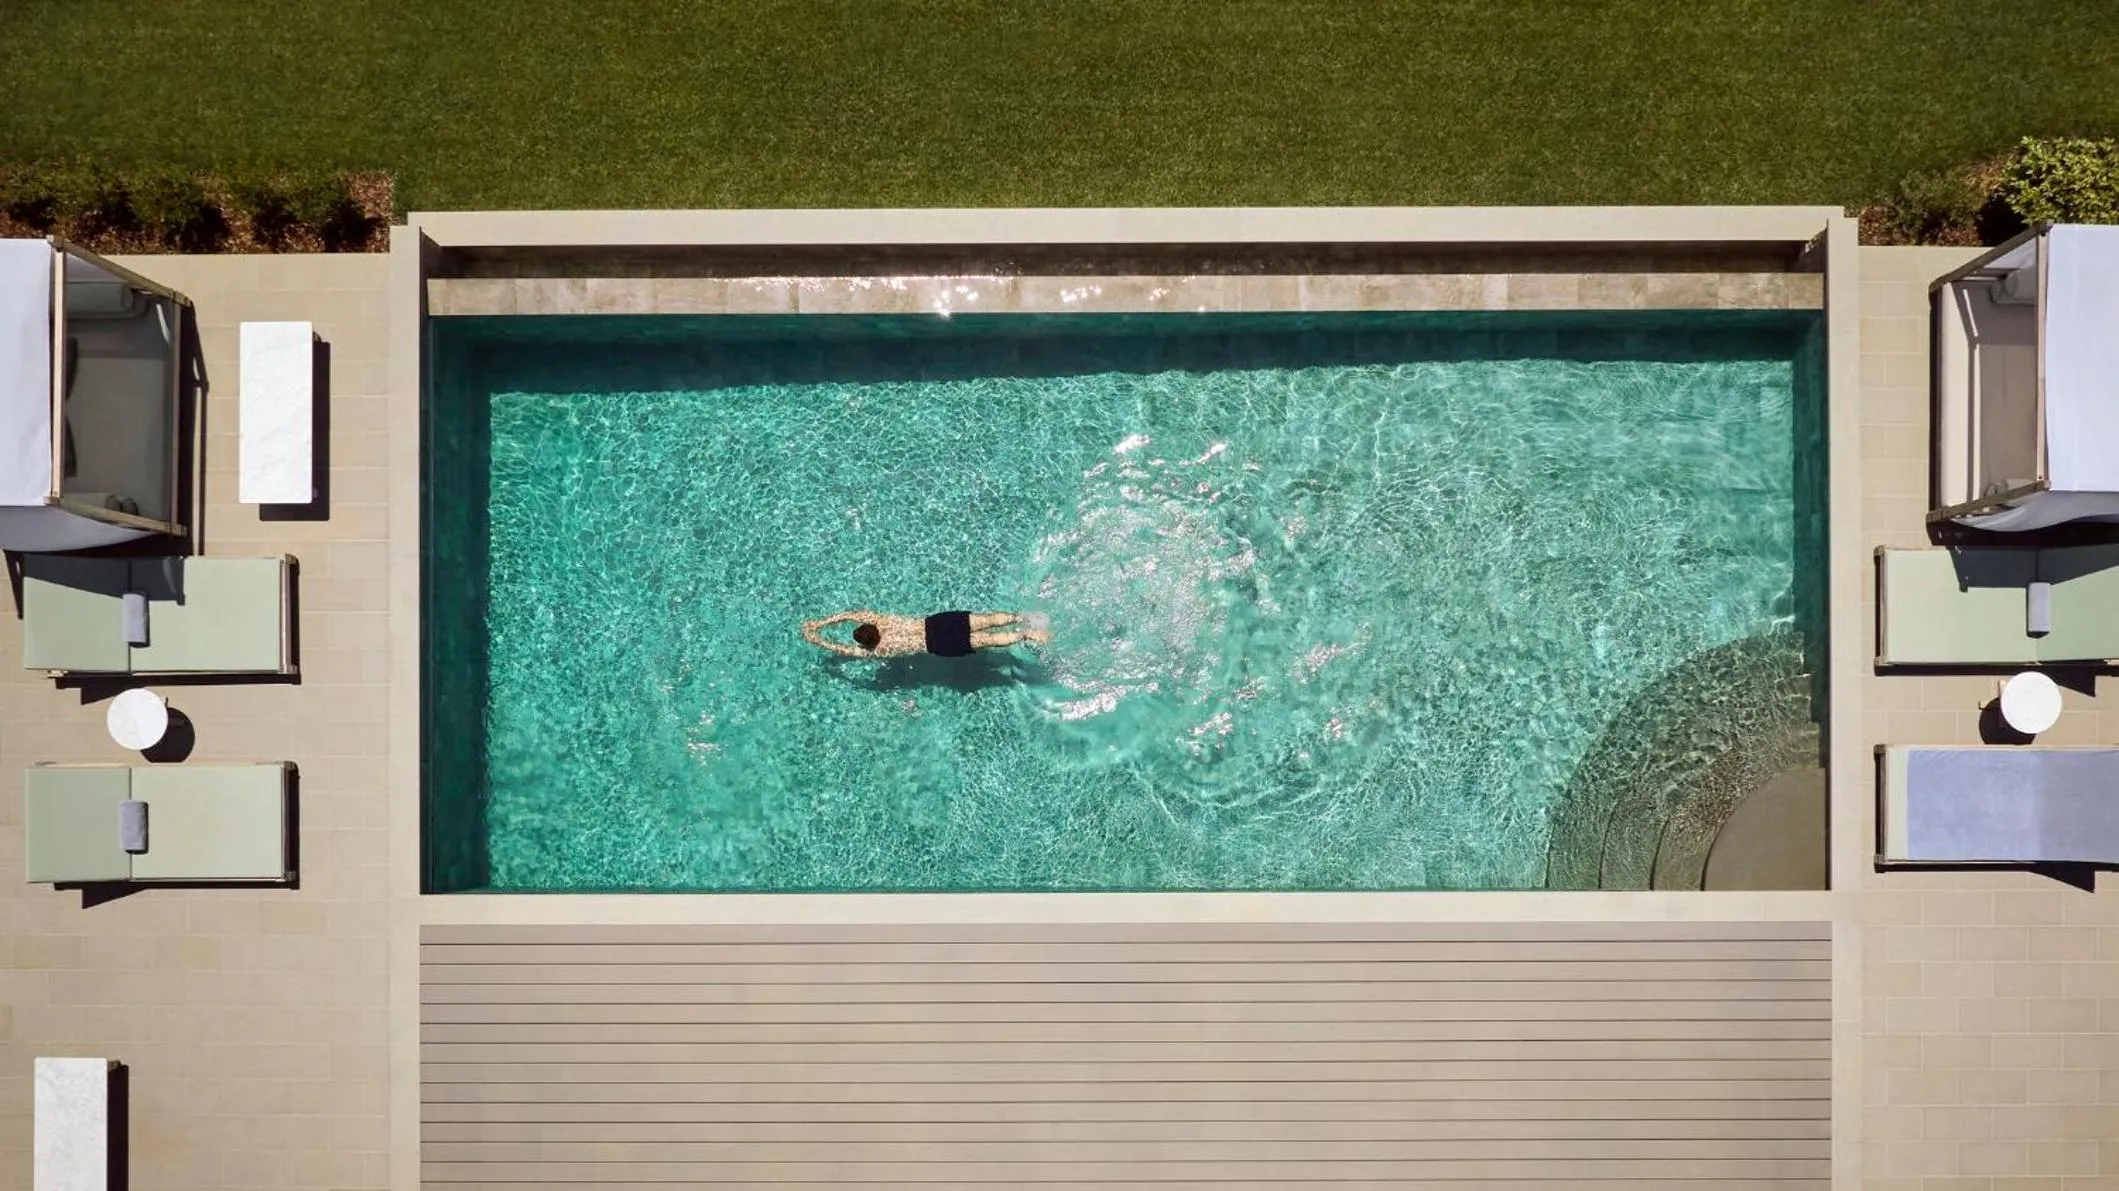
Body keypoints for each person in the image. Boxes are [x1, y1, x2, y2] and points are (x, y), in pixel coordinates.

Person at [801, 610, 1048, 658]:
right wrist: (822, 622)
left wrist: (817, 640)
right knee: (985, 620)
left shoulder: (875, 651)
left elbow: (841, 649)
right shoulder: (878, 620)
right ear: (871, 627)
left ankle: (1027, 635)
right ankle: (1021, 617)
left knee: (989, 641)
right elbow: (849, 614)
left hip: (938, 645)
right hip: (934, 624)